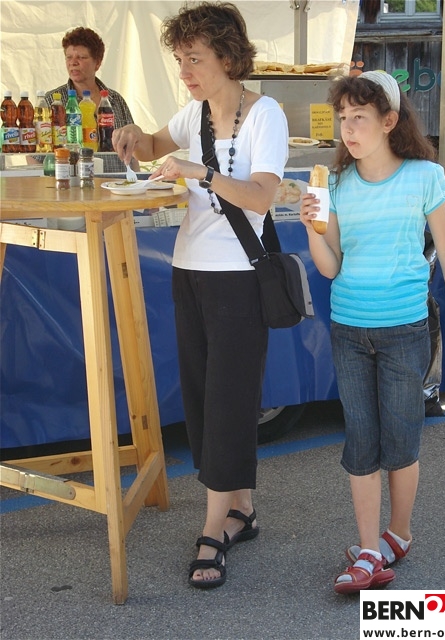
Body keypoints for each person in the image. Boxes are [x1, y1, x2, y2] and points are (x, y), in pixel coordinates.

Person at [112, 1, 288, 589]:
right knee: (202, 395)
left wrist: (199, 173)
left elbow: (261, 197)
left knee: (228, 398)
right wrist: (134, 137)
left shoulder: (265, 114)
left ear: (228, 57)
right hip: (188, 268)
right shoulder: (193, 114)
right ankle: (241, 509)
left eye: (195, 58)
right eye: (180, 59)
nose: (184, 70)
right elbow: (153, 144)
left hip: (239, 274)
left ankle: (214, 528)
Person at [300, 71, 445, 595]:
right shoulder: (335, 184)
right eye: (343, 118)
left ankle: (398, 533)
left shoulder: (424, 176)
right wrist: (312, 229)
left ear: (389, 121)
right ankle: (369, 552)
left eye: (359, 117)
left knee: (402, 439)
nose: (348, 128)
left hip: (405, 329)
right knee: (361, 441)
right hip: (349, 329)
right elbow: (330, 267)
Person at [45, 27, 137, 173]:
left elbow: (133, 150)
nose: (73, 62)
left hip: (116, 182)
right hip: (71, 183)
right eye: (69, 57)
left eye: (81, 57)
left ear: (98, 63)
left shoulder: (116, 100)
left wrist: (135, 179)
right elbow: (35, 156)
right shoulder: (53, 101)